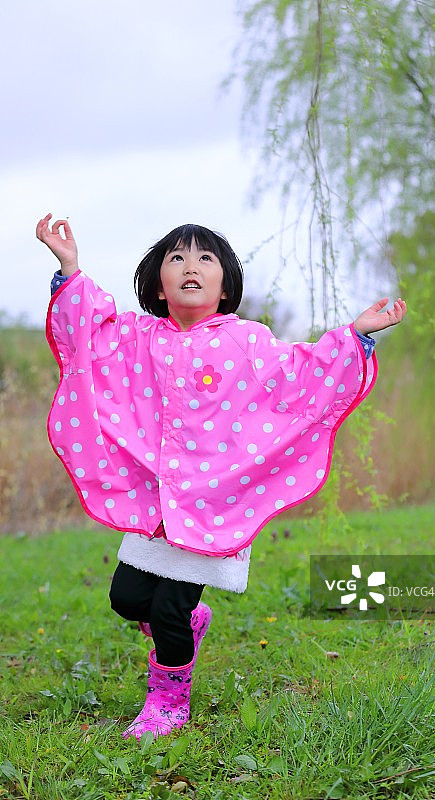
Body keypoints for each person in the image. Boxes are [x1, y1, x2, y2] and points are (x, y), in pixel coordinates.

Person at [36, 212, 406, 741]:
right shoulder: (138, 338)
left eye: (205, 259)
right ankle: (186, 627)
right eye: (178, 258)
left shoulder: (246, 342)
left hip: (215, 502)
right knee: (128, 598)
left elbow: (299, 375)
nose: (192, 266)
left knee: (168, 607)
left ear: (225, 283)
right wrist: (69, 267)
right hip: (158, 506)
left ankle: (168, 699)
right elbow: (87, 336)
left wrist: (357, 337)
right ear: (158, 286)